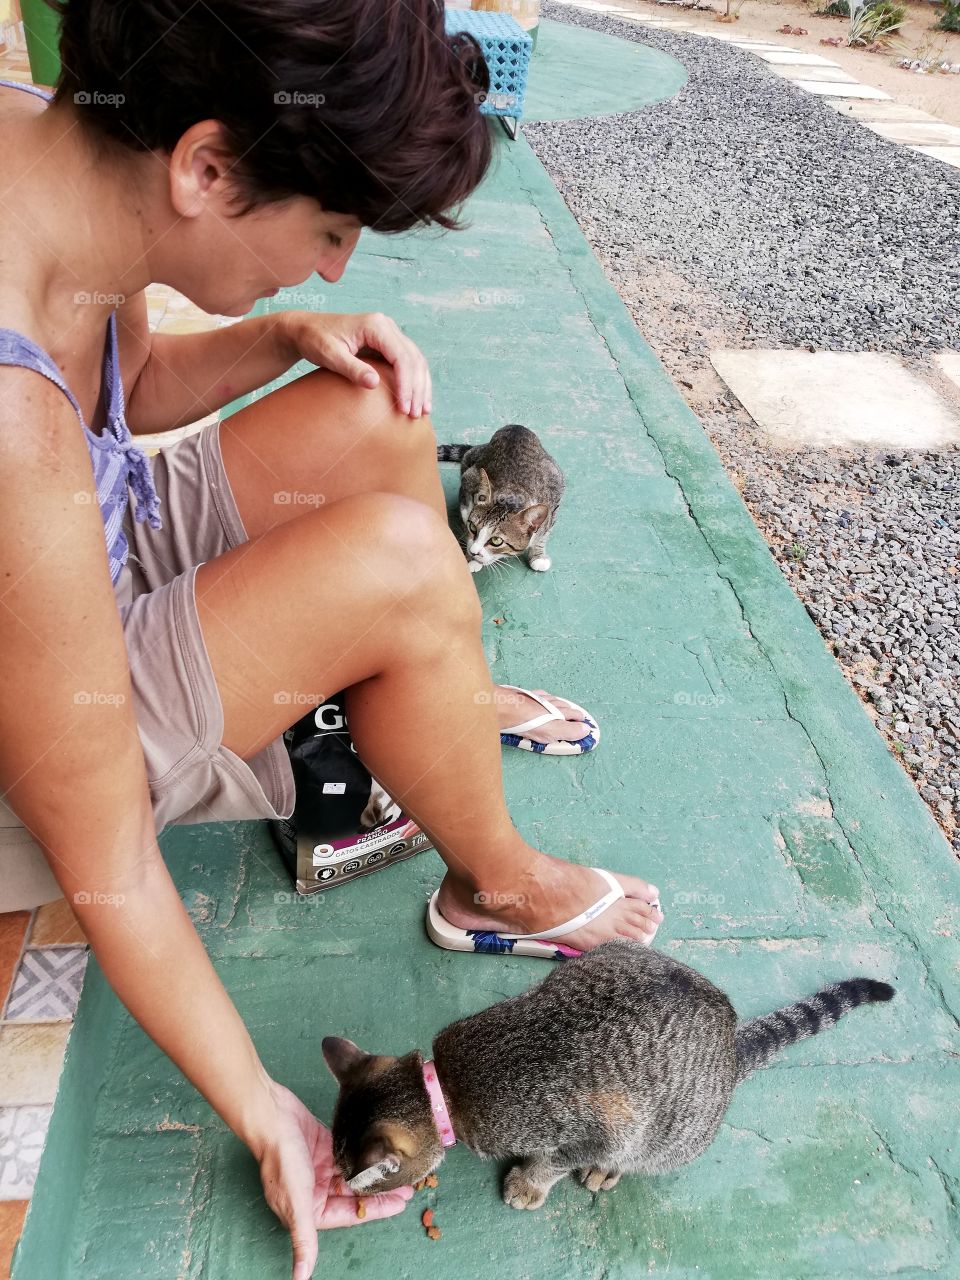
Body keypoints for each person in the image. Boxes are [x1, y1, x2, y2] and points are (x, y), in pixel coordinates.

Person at [0, 2, 662, 1276]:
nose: (338, 268)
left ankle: (430, 686)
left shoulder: (61, 141)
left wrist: (276, 339)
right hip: (40, 723)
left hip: (81, 542)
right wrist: (263, 1107)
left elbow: (120, 386)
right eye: (332, 234)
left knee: (374, 421)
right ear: (206, 167)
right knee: (406, 564)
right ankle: (497, 873)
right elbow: (107, 858)